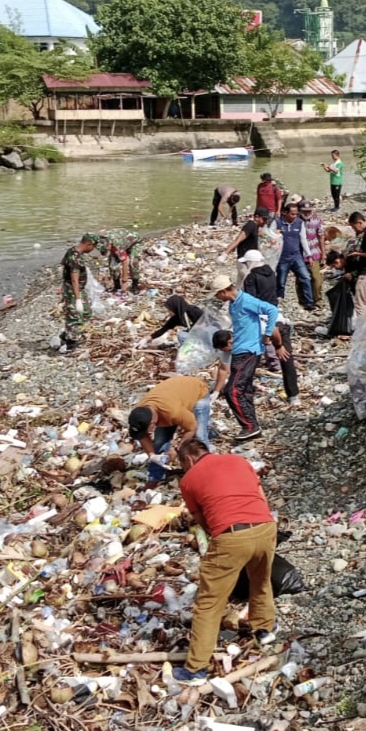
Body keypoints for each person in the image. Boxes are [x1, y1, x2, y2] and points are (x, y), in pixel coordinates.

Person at [171, 440, 278, 683]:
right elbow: (260, 495)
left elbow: (201, 518)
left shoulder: (188, 480)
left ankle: (196, 668)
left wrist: (219, 537)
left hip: (231, 535)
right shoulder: (238, 460)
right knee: (260, 580)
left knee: (209, 602)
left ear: (187, 460)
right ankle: (264, 630)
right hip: (265, 526)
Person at [211, 274, 288, 442]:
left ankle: (249, 426)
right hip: (240, 350)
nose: (217, 298)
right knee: (244, 390)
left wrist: (268, 334)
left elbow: (272, 310)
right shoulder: (233, 304)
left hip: (249, 351)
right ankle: (252, 427)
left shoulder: (245, 300)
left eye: (218, 294)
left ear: (224, 291)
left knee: (233, 390)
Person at [128, 375, 212, 483]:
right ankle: (155, 478)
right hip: (174, 396)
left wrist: (178, 450)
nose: (147, 433)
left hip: (197, 392)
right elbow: (142, 435)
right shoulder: (139, 413)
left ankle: (206, 473)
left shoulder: (172, 412)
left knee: (200, 437)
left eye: (148, 430)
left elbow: (191, 428)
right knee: (159, 442)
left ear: (153, 422)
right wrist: (152, 456)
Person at [60, 233, 99, 349]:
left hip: (77, 289)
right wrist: (77, 299)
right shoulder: (75, 258)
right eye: (93, 247)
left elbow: (62, 262)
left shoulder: (71, 251)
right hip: (73, 290)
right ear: (88, 244)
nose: (92, 250)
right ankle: (71, 343)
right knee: (75, 315)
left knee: (86, 312)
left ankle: (66, 335)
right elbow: (74, 280)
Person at [272, 201, 314, 310]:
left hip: (296, 256)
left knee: (305, 277)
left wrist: (309, 255)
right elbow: (270, 238)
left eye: (296, 214)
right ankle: (278, 302)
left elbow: (303, 239)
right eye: (292, 214)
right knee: (281, 281)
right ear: (285, 213)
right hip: (282, 257)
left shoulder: (300, 223)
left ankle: (309, 302)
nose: (295, 216)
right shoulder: (277, 223)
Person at [222, 206, 271, 276]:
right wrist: (225, 254)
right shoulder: (250, 226)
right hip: (245, 261)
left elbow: (254, 235)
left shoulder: (255, 226)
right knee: (248, 282)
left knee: (243, 284)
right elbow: (238, 240)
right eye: (264, 219)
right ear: (257, 217)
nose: (265, 222)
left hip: (250, 260)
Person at [300, 200, 326, 308]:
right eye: (304, 211)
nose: (307, 213)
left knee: (316, 278)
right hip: (300, 254)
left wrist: (323, 253)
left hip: (314, 251)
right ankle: (303, 300)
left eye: (308, 211)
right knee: (301, 278)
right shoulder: (297, 220)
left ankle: (318, 299)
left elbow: (321, 237)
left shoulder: (317, 220)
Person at [105, 230, 143, 294]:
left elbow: (125, 262)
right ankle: (117, 287)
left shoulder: (117, 245)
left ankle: (135, 286)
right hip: (122, 241)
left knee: (133, 263)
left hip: (135, 242)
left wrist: (124, 282)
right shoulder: (100, 242)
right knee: (113, 266)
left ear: (109, 244)